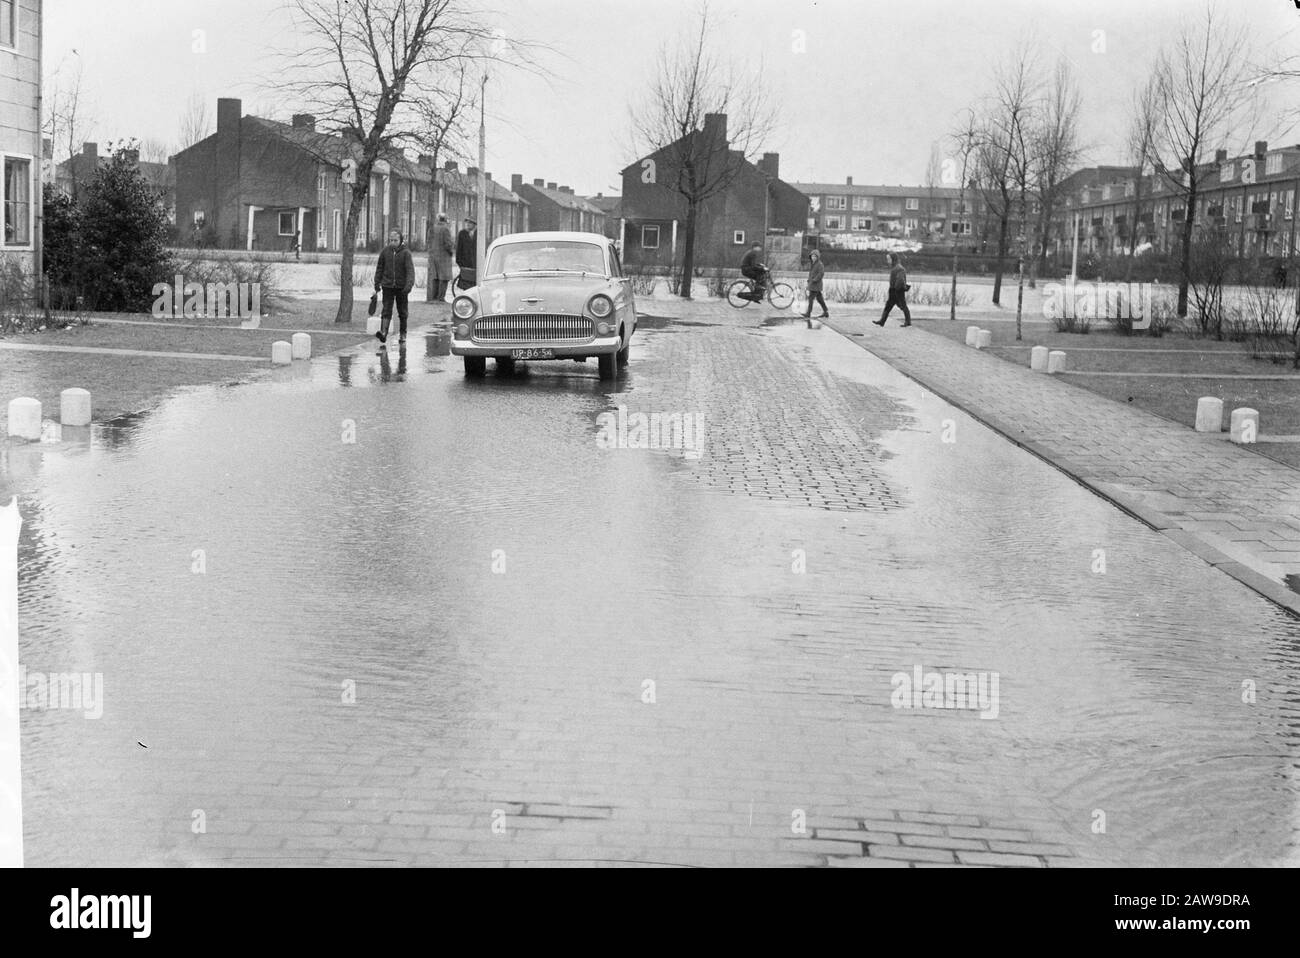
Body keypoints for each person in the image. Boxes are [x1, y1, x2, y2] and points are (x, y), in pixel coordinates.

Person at [373, 229, 415, 346]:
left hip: (402, 287)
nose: (393, 242)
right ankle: (384, 332)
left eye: (395, 240)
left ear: (401, 240)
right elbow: (379, 268)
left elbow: (410, 271)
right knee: (386, 309)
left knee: (402, 311)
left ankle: (403, 333)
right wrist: (377, 283)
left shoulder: (406, 253)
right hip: (387, 286)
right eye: (391, 240)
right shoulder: (385, 252)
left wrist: (408, 285)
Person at [873, 252, 912, 327]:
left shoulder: (899, 268)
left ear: (893, 259)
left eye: (888, 259)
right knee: (889, 306)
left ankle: (908, 321)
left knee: (902, 306)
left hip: (897, 290)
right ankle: (882, 321)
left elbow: (900, 280)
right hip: (894, 290)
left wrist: (896, 289)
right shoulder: (895, 267)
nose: (887, 261)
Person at [431, 213, 455, 302]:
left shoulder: (434, 228)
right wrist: (451, 252)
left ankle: (434, 297)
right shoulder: (446, 229)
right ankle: (441, 298)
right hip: (444, 256)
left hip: (435, 255)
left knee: (436, 277)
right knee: (444, 278)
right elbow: (448, 244)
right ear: (445, 219)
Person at [802, 249, 828, 322]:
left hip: (816, 285)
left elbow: (821, 273)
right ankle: (825, 312)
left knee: (810, 299)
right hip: (812, 284)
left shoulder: (820, 264)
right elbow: (811, 274)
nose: (813, 258)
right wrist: (809, 280)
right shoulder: (813, 264)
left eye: (815, 256)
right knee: (820, 299)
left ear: (817, 257)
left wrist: (814, 280)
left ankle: (808, 313)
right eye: (812, 256)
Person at [455, 217, 478, 291]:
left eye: (470, 223)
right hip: (465, 263)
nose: (468, 224)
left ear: (474, 225)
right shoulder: (462, 233)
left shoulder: (478, 234)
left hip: (476, 264)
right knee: (466, 285)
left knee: (475, 285)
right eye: (467, 222)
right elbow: (459, 249)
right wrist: (460, 263)